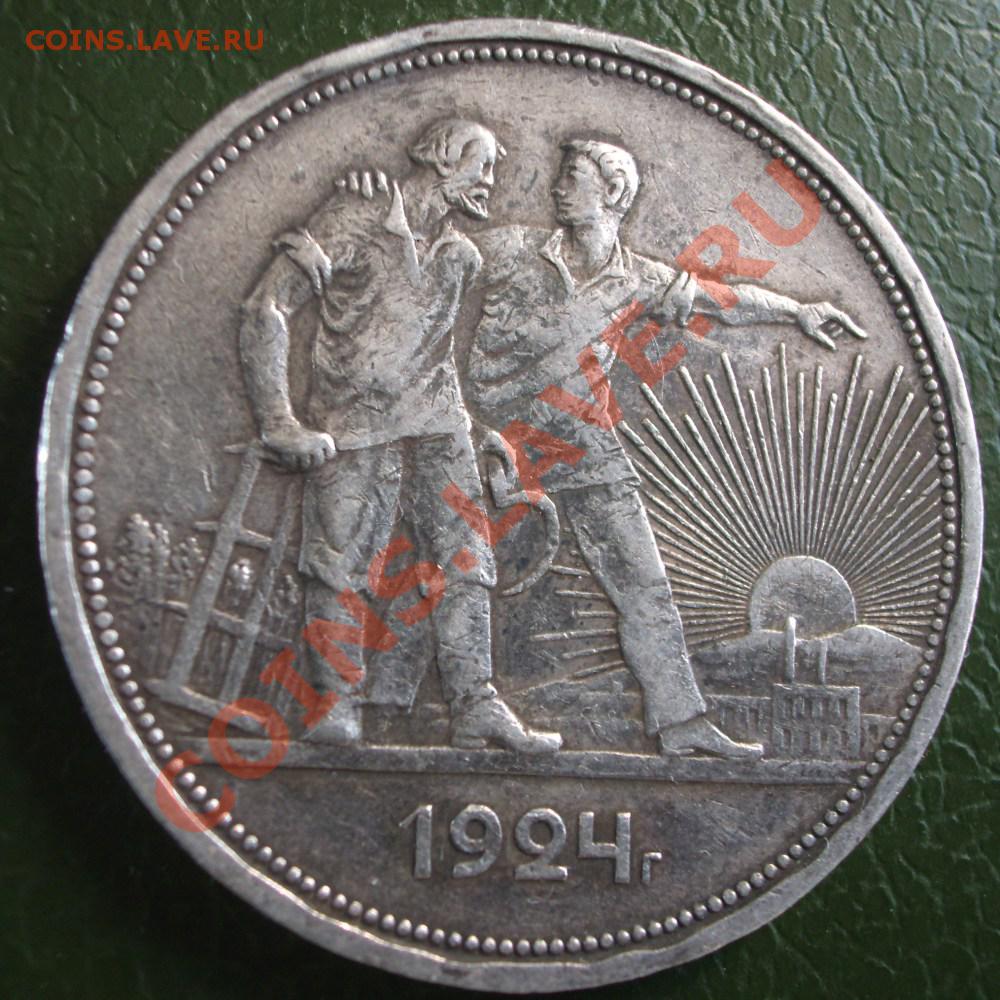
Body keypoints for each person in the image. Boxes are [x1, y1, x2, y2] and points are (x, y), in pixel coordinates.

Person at [465, 138, 866, 758]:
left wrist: (797, 311)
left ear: (613, 193)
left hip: (584, 447)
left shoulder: (638, 279)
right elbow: (429, 263)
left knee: (645, 588)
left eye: (572, 176)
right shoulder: (511, 247)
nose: (557, 187)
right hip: (495, 445)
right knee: (445, 575)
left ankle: (682, 726)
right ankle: (434, 705)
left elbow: (723, 301)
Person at [238, 118, 560, 752]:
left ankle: (475, 705)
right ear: (442, 160)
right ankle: (335, 703)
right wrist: (278, 420)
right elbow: (266, 307)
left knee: (467, 563)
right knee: (339, 566)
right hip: (354, 428)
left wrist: (476, 428)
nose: (491, 182)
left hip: (441, 430)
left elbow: (439, 357)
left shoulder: (460, 255)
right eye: (483, 166)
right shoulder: (352, 217)